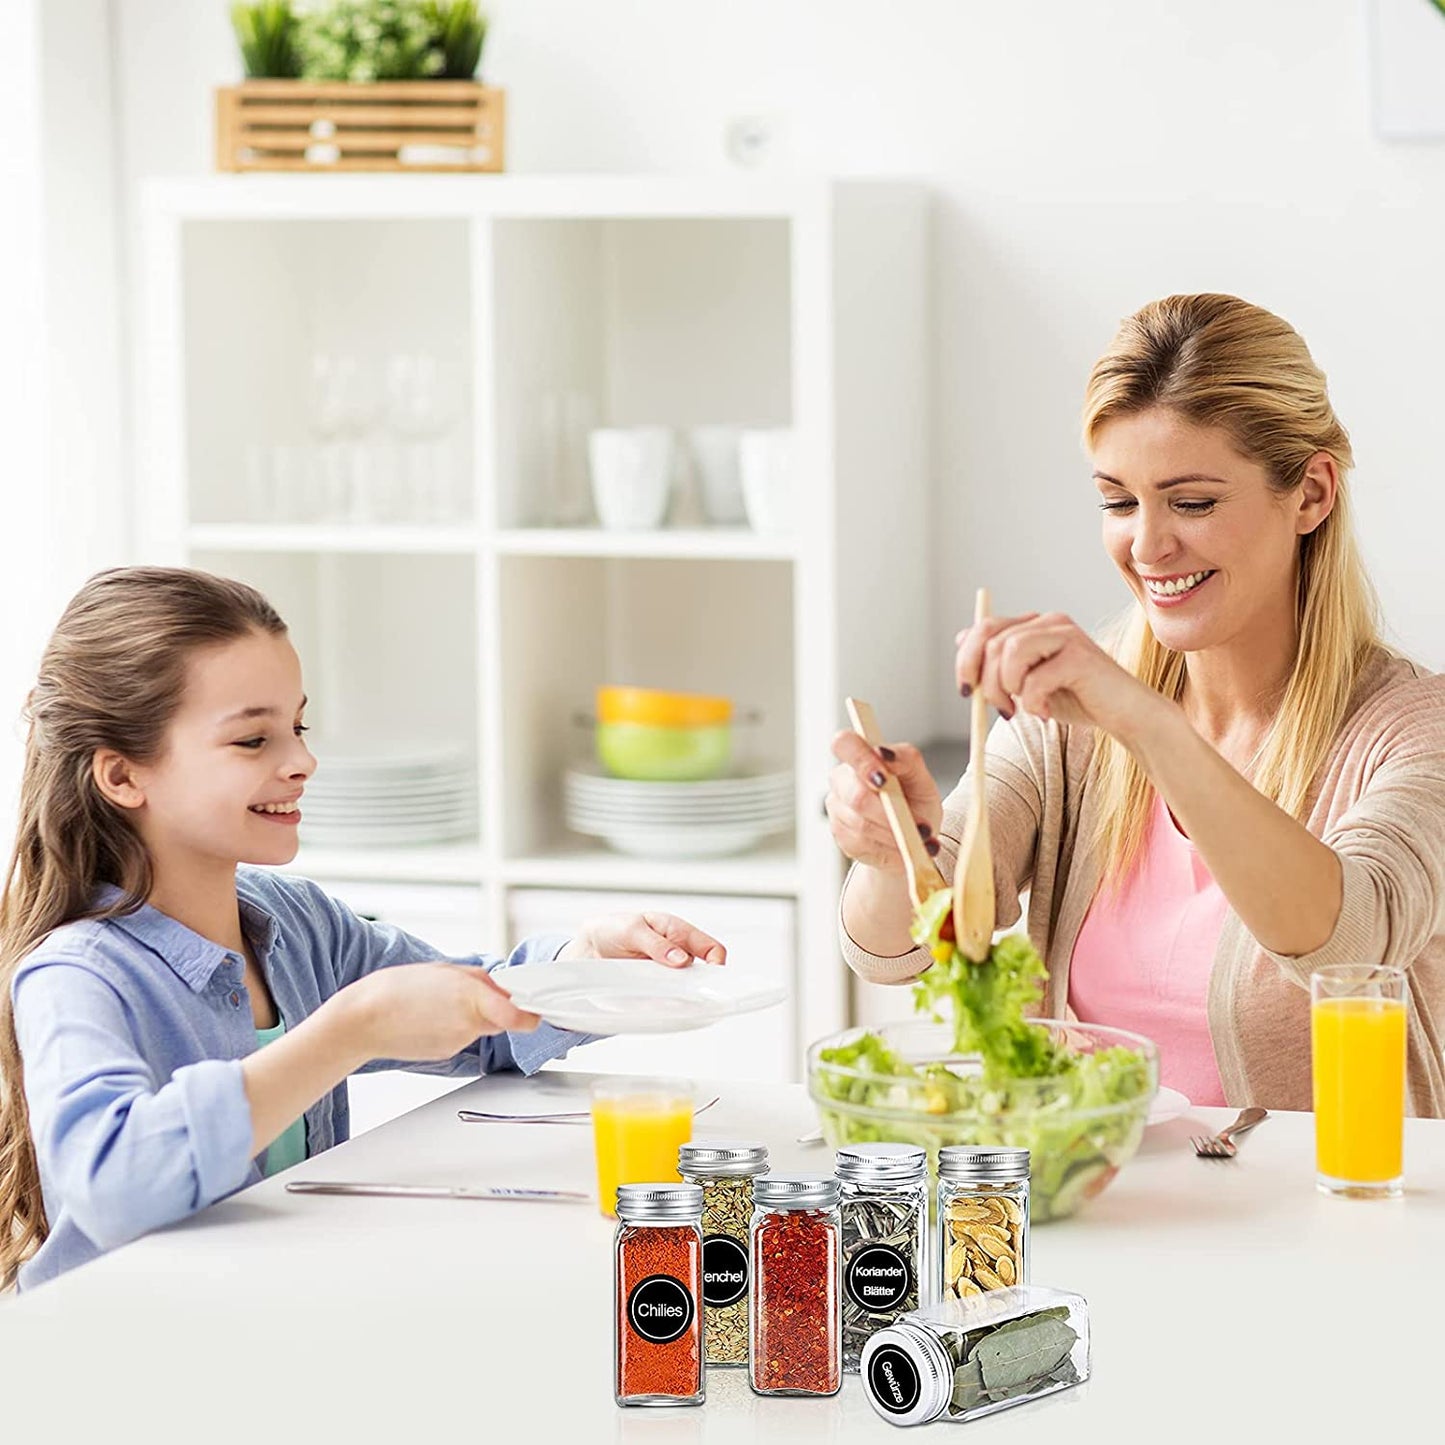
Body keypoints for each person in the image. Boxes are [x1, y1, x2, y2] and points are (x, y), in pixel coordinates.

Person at [0, 567, 726, 1290]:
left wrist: (583, 961)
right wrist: (346, 1031)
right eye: (253, 739)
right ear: (123, 776)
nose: (302, 761)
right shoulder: (77, 974)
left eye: (298, 725)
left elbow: (479, 1018)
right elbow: (112, 1182)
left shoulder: (298, 924)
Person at [828, 293, 1445, 1116]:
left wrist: (1148, 723)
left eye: (1191, 502)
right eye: (1118, 502)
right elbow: (899, 949)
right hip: (1102, 1216)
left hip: (1325, 1233)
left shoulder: (1410, 730)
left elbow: (1347, 937)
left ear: (1310, 494)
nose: (1147, 546)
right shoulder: (1066, 731)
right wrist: (889, 849)